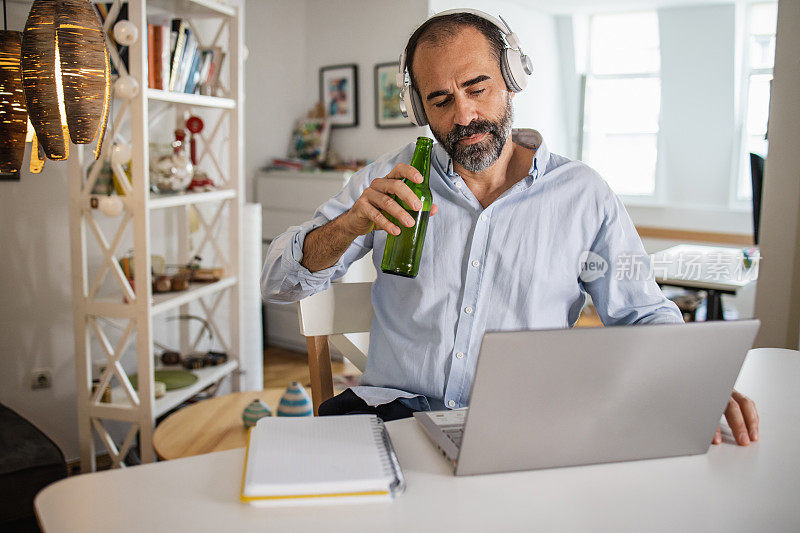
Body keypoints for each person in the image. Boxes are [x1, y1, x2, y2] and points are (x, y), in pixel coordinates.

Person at [261, 10, 759, 446]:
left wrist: (696, 383)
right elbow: (277, 286)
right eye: (440, 100)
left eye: (477, 88)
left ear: (512, 78)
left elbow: (642, 315)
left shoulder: (583, 195)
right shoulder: (387, 179)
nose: (465, 115)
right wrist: (348, 225)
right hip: (392, 420)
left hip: (522, 428)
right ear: (419, 109)